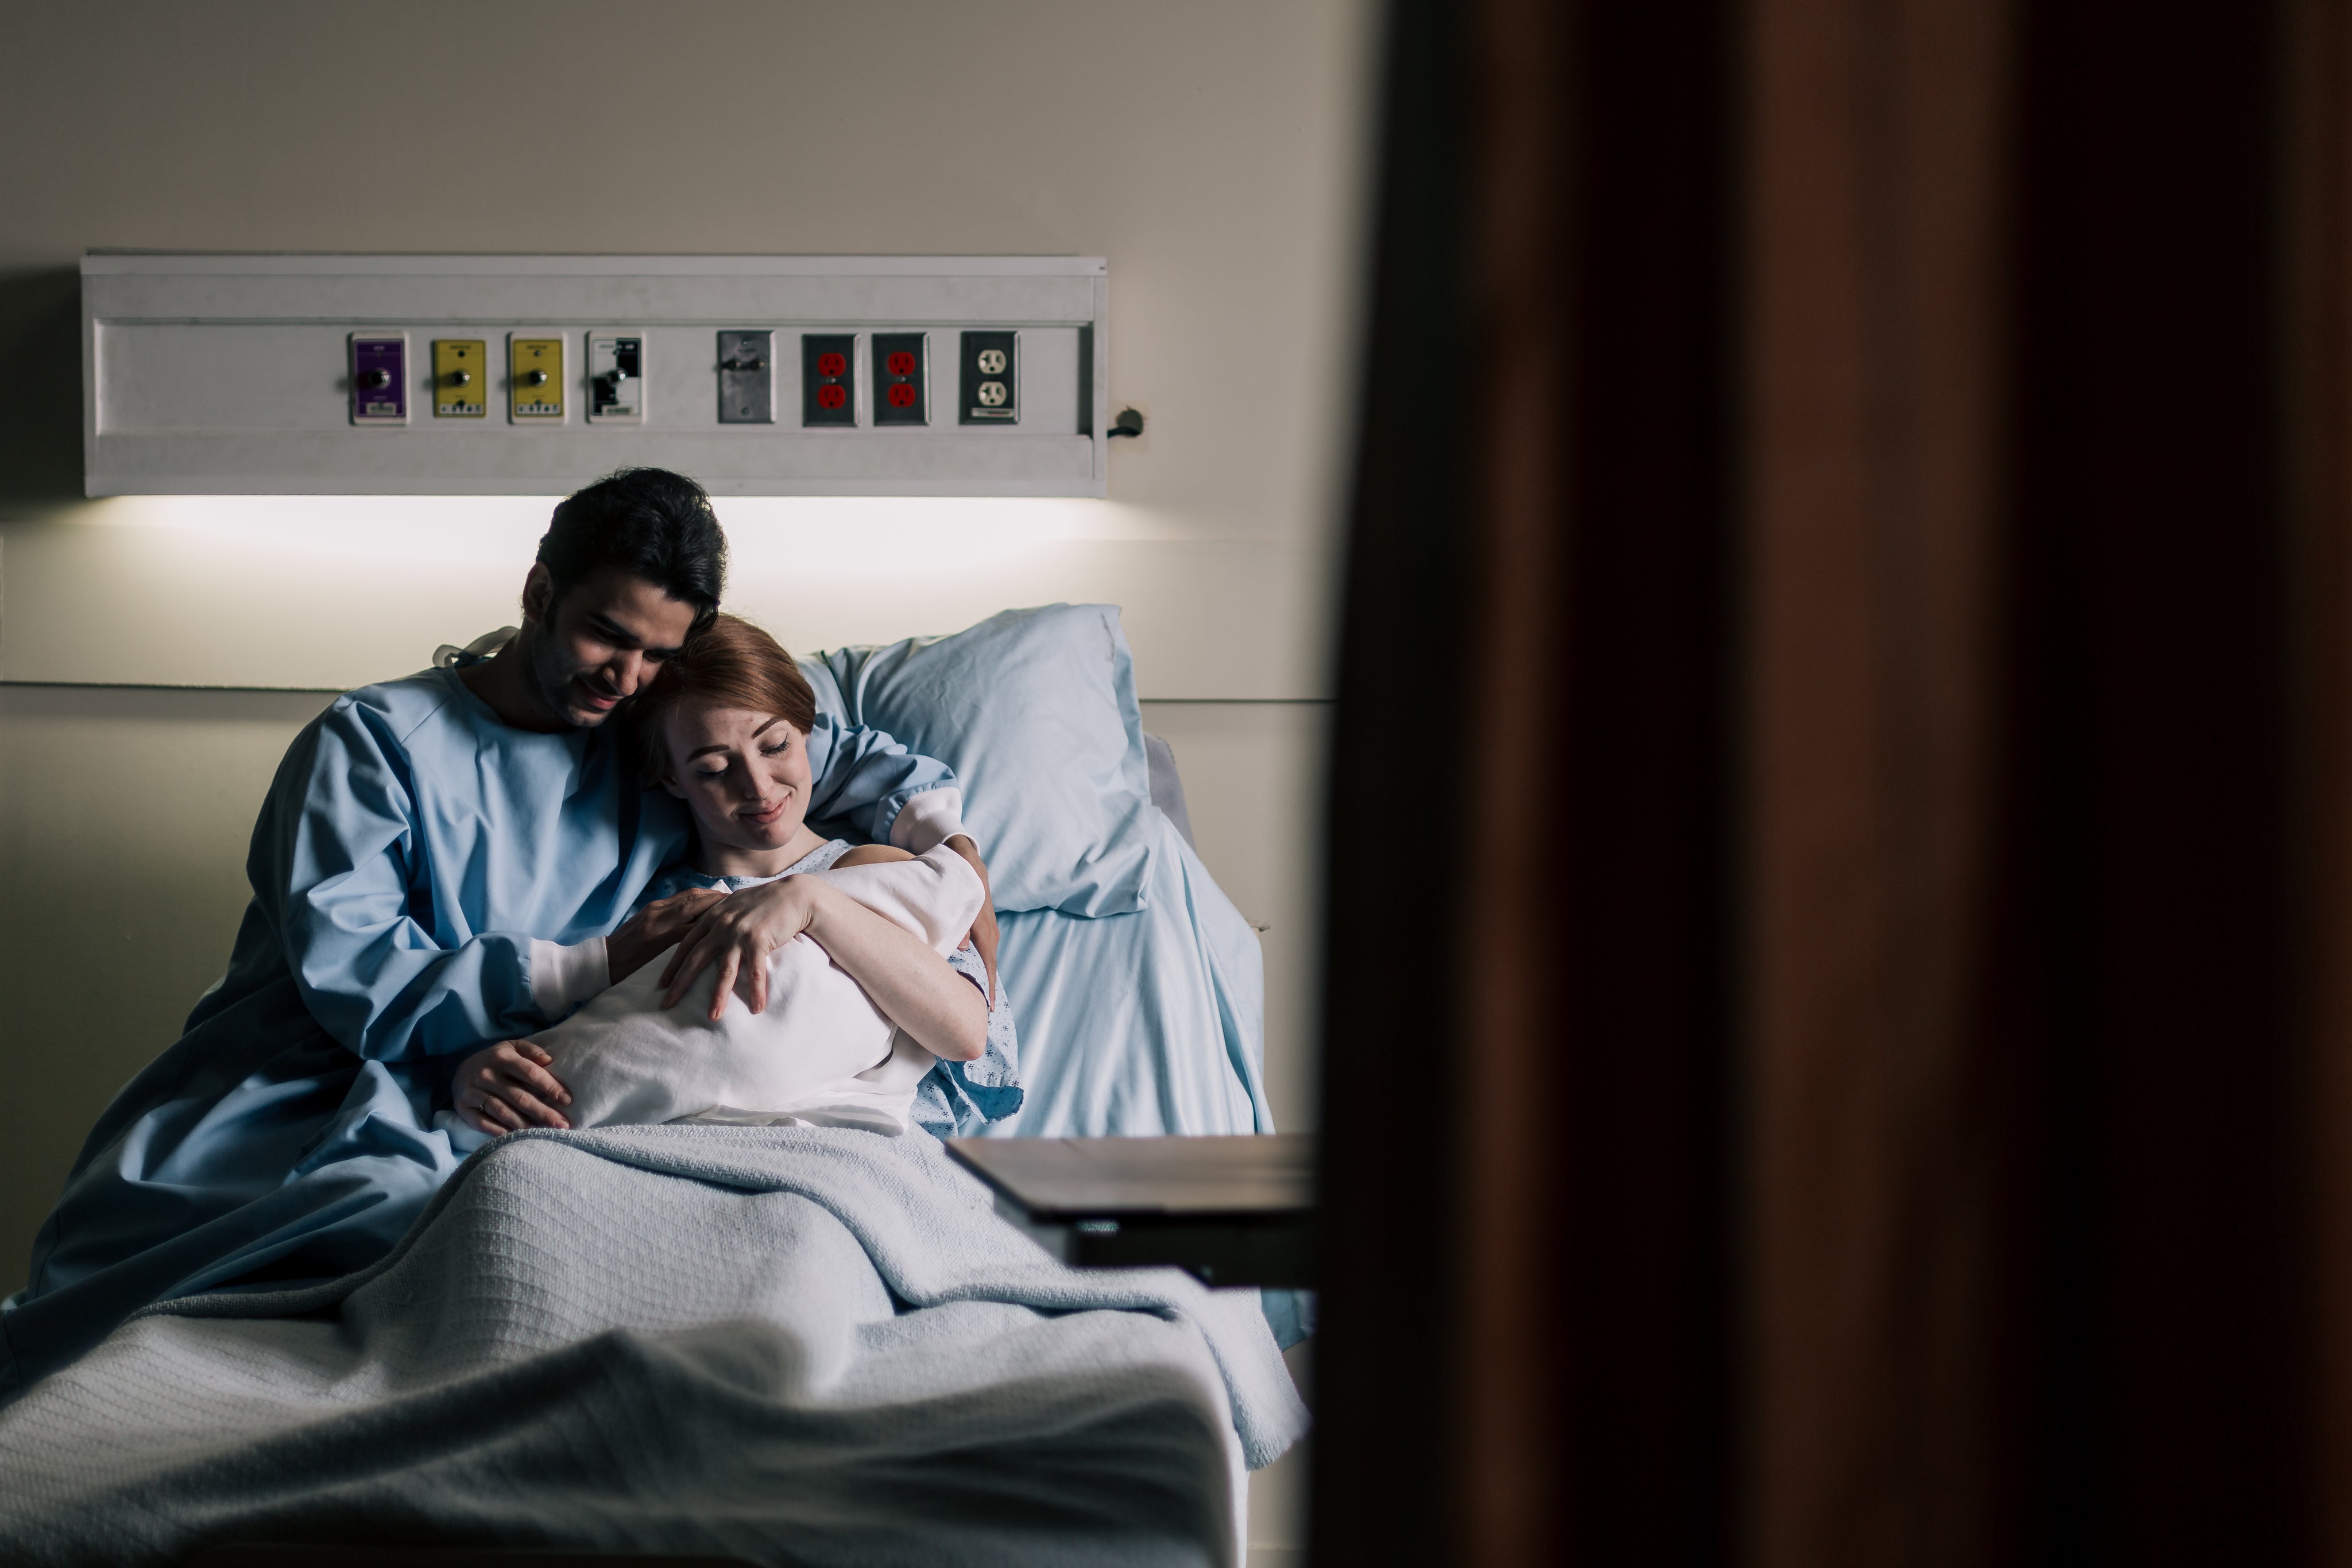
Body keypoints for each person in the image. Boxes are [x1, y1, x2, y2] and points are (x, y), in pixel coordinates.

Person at [0, 468, 993, 1395]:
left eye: (658, 653)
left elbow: (821, 748)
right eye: (607, 635)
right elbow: (358, 983)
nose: (628, 675)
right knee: (372, 1222)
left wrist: (952, 851)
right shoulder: (372, 745)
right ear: (539, 591)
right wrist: (555, 992)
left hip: (527, 1085)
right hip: (321, 1081)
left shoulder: (649, 726)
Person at [450, 614, 1016, 1142]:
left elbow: (967, 1034)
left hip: (832, 1151)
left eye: (776, 745)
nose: (759, 787)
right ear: (672, 779)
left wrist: (813, 901)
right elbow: (593, 1044)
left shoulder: (876, 872)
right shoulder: (650, 912)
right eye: (714, 769)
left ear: (806, 732)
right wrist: (476, 1074)